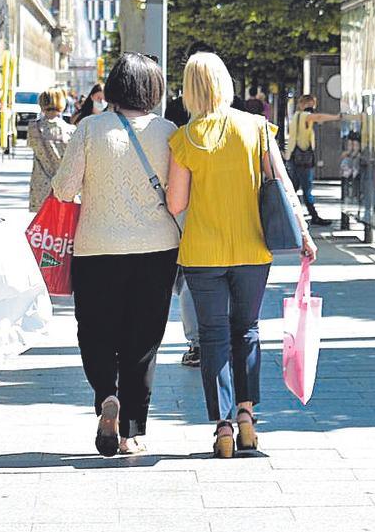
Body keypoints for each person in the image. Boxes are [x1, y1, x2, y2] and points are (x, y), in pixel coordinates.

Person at [166, 52, 316, 459]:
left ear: (189, 90)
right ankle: (248, 418)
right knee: (246, 329)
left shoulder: (185, 138)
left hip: (202, 252)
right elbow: (283, 184)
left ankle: (224, 427)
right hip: (252, 249)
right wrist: (303, 232)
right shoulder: (256, 128)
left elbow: (176, 203)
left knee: (213, 336)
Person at [53, 53, 180, 457]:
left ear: (114, 87)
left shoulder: (90, 129)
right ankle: (132, 432)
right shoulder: (168, 132)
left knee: (95, 331)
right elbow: (178, 198)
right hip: (156, 249)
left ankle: (107, 396)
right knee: (143, 341)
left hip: (96, 248)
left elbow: (62, 189)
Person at [285, 94, 342, 227]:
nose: (312, 108)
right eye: (310, 105)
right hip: (302, 159)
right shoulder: (303, 116)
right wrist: (336, 117)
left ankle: (286, 213)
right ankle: (313, 216)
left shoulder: (297, 116)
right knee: (306, 188)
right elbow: (318, 117)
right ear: (303, 105)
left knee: (294, 188)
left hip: (295, 157)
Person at [26, 88, 75, 212]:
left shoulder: (33, 128)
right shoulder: (70, 130)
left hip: (40, 184)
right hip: (64, 184)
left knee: (44, 227)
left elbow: (31, 145)